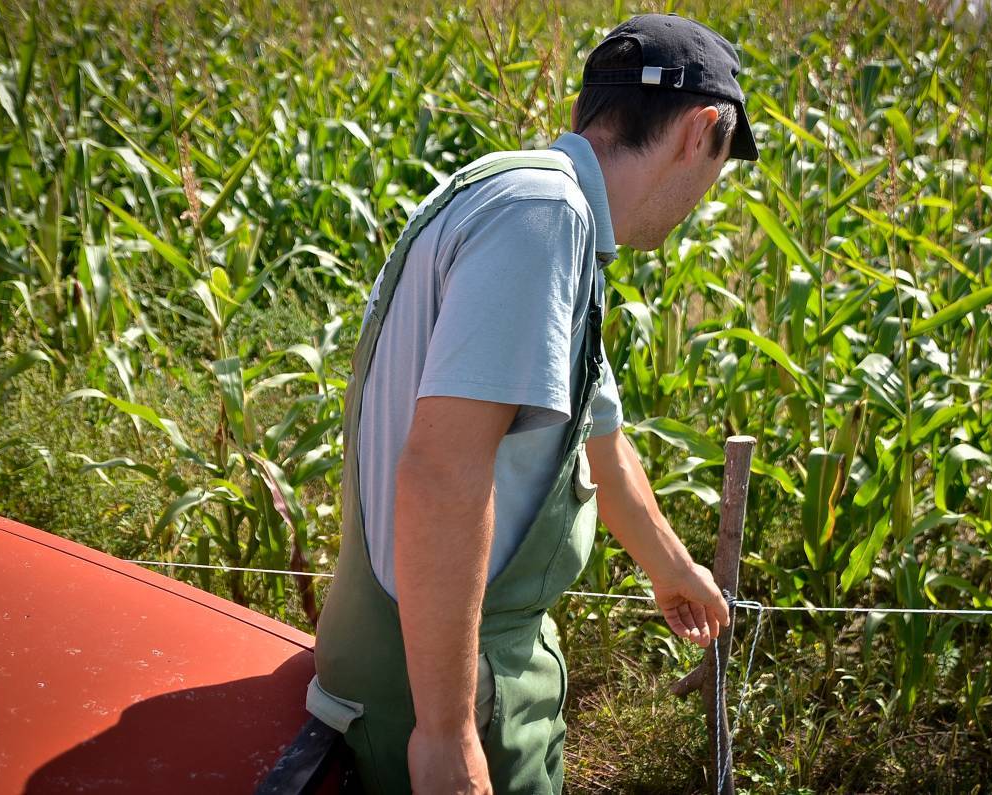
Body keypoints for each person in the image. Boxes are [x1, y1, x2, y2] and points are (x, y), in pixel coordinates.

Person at [306, 13, 760, 794]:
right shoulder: (542, 218)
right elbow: (444, 471)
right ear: (699, 131)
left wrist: (673, 567)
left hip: (446, 662)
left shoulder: (516, 193)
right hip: (445, 682)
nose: (704, 195)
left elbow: (597, 435)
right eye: (719, 164)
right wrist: (446, 735)